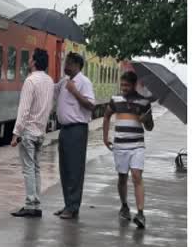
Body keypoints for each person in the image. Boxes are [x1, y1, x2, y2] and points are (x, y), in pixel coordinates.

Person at [103, 71, 153, 229]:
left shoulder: (144, 102)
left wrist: (146, 120)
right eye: (122, 85)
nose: (123, 88)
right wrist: (105, 137)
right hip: (120, 145)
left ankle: (140, 214)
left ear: (134, 85)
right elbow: (106, 116)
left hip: (137, 145)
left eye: (126, 85)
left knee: (137, 176)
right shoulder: (115, 100)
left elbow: (150, 127)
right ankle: (124, 206)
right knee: (122, 177)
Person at [10, 48, 55, 217]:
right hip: (40, 132)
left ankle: (30, 204)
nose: (28, 61)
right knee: (36, 168)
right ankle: (36, 203)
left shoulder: (30, 81)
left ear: (35, 62)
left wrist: (16, 133)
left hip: (28, 131)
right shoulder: (50, 81)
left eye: (30, 59)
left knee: (28, 168)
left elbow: (24, 110)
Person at [54, 52, 95, 220]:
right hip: (64, 130)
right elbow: (52, 91)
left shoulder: (84, 82)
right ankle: (68, 204)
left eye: (69, 63)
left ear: (77, 65)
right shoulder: (64, 81)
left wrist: (75, 92)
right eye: (65, 62)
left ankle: (73, 206)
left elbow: (91, 105)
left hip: (77, 130)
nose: (65, 66)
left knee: (75, 169)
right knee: (65, 169)